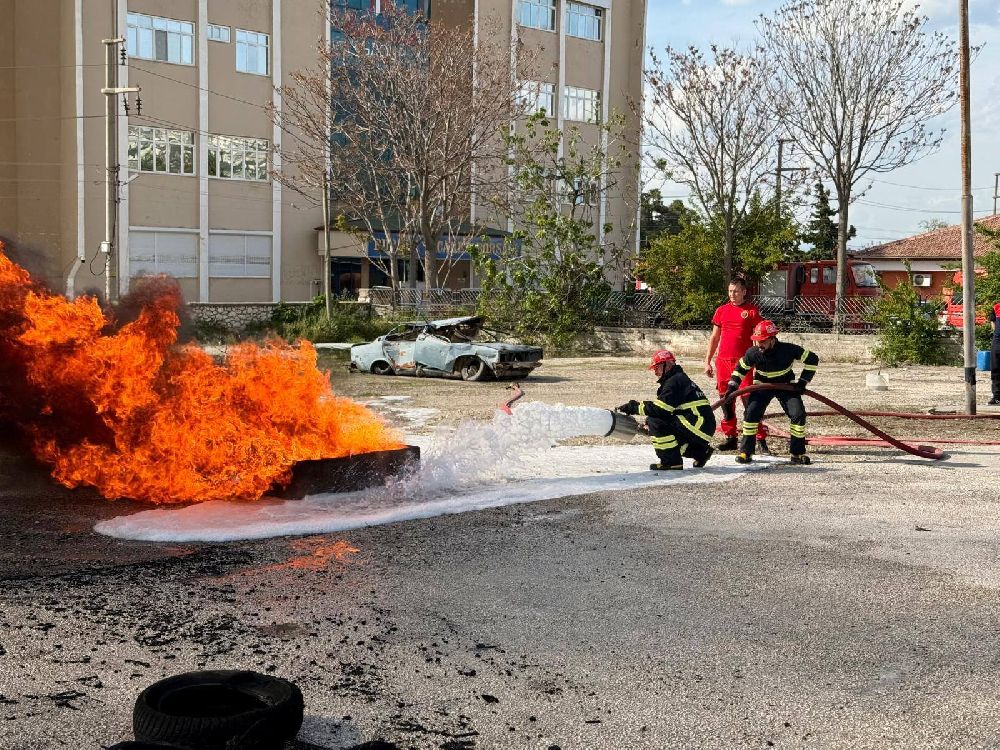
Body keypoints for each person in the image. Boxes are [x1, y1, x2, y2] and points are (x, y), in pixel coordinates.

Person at [724, 320, 819, 466]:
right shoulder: (753, 352)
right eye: (756, 341)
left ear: (772, 339)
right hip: (761, 386)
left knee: (798, 414)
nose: (759, 345)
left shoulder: (788, 350)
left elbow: (812, 359)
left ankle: (797, 453)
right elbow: (740, 369)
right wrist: (732, 386)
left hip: (785, 386)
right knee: (750, 414)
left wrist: (802, 382)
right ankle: (746, 452)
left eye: (762, 341)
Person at [618, 349, 717, 471]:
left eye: (657, 368)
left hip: (697, 424)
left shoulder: (674, 382)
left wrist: (633, 407)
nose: (656, 373)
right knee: (664, 434)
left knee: (656, 422)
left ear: (667, 365)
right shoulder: (678, 378)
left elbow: (661, 410)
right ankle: (701, 453)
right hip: (702, 425)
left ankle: (671, 462)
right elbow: (667, 409)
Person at [704, 276, 769, 453]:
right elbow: (715, 337)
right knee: (726, 401)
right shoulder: (721, 311)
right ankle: (731, 437)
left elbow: (761, 337)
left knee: (750, 403)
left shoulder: (752, 311)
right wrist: (707, 361)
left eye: (736, 291)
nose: (732, 294)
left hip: (743, 364)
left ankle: (760, 439)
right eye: (730, 291)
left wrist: (761, 359)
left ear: (744, 292)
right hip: (723, 362)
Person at [989, 301, 1000, 406]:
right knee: (996, 370)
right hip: (997, 342)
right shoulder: (996, 307)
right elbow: (993, 323)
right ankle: (997, 398)